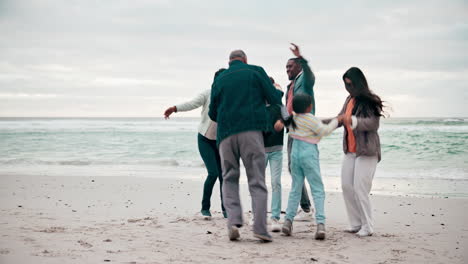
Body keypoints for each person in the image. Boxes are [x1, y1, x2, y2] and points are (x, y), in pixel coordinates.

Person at [209, 50, 282, 242]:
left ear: (230, 61)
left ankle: (233, 221)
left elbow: (212, 113)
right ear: (245, 59)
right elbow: (274, 98)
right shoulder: (256, 71)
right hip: (251, 131)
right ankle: (259, 228)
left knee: (229, 177)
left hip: (225, 134)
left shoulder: (220, 78)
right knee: (256, 180)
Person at [163, 68, 226, 220]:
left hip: (220, 141)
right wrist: (175, 108)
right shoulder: (207, 94)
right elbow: (192, 103)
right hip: (204, 139)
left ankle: (226, 209)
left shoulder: (229, 96)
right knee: (213, 173)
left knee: (224, 176)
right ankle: (205, 208)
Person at [281, 94, 339, 240]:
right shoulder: (311, 119)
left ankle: (288, 221)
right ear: (309, 106)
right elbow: (324, 131)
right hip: (309, 154)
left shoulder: (292, 119)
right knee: (317, 189)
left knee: (295, 188)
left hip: (295, 154)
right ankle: (320, 224)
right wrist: (336, 122)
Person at [337, 67, 384, 237]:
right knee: (346, 186)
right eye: (345, 85)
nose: (347, 88)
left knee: (360, 188)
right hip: (350, 150)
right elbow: (340, 119)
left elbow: (373, 124)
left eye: (349, 84)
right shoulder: (349, 99)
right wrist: (319, 126)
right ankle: (356, 223)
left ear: (358, 83)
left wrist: (353, 120)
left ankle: (367, 225)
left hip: (367, 151)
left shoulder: (370, 100)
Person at [285, 43, 316, 221]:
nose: (287, 69)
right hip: (292, 130)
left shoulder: (304, 80)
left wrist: (301, 58)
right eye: (286, 67)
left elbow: (310, 76)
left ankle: (306, 209)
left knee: (300, 167)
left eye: (290, 66)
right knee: (293, 167)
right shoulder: (291, 86)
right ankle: (306, 208)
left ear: (298, 66)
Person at [263, 77, 284, 232]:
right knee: (258, 184)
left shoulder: (279, 105)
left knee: (276, 183)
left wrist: (283, 122)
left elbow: (289, 118)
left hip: (276, 150)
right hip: (259, 150)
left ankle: (275, 217)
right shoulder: (256, 105)